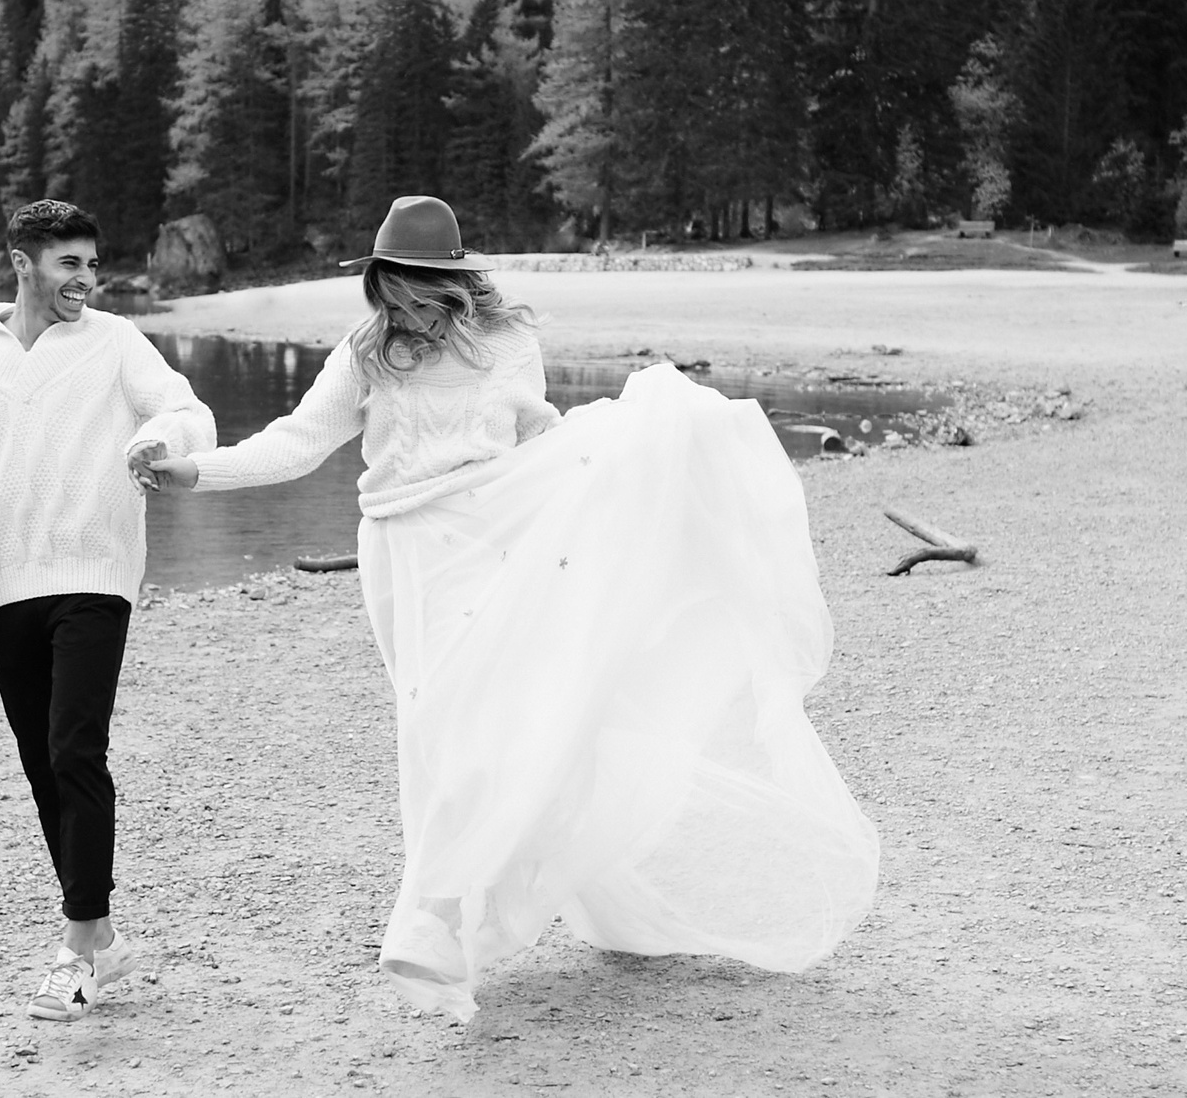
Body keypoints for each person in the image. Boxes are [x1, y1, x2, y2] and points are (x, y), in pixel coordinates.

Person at [134, 195, 878, 1023]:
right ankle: (460, 901)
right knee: (433, 728)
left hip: (491, 540)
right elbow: (298, 442)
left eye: (412, 286)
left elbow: (538, 438)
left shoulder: (508, 343)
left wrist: (599, 487)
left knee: (475, 725)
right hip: (400, 557)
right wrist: (197, 471)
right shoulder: (366, 351)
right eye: (389, 285)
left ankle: (434, 917)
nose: (400, 302)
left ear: (448, 283)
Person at [0, 199, 216, 1020]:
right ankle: (102, 935)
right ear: (22, 262)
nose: (87, 280)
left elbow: (188, 411)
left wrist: (157, 443)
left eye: (92, 264)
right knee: (45, 763)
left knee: (77, 748)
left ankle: (75, 955)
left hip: (95, 574)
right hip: (7, 586)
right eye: (69, 263)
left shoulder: (114, 341)